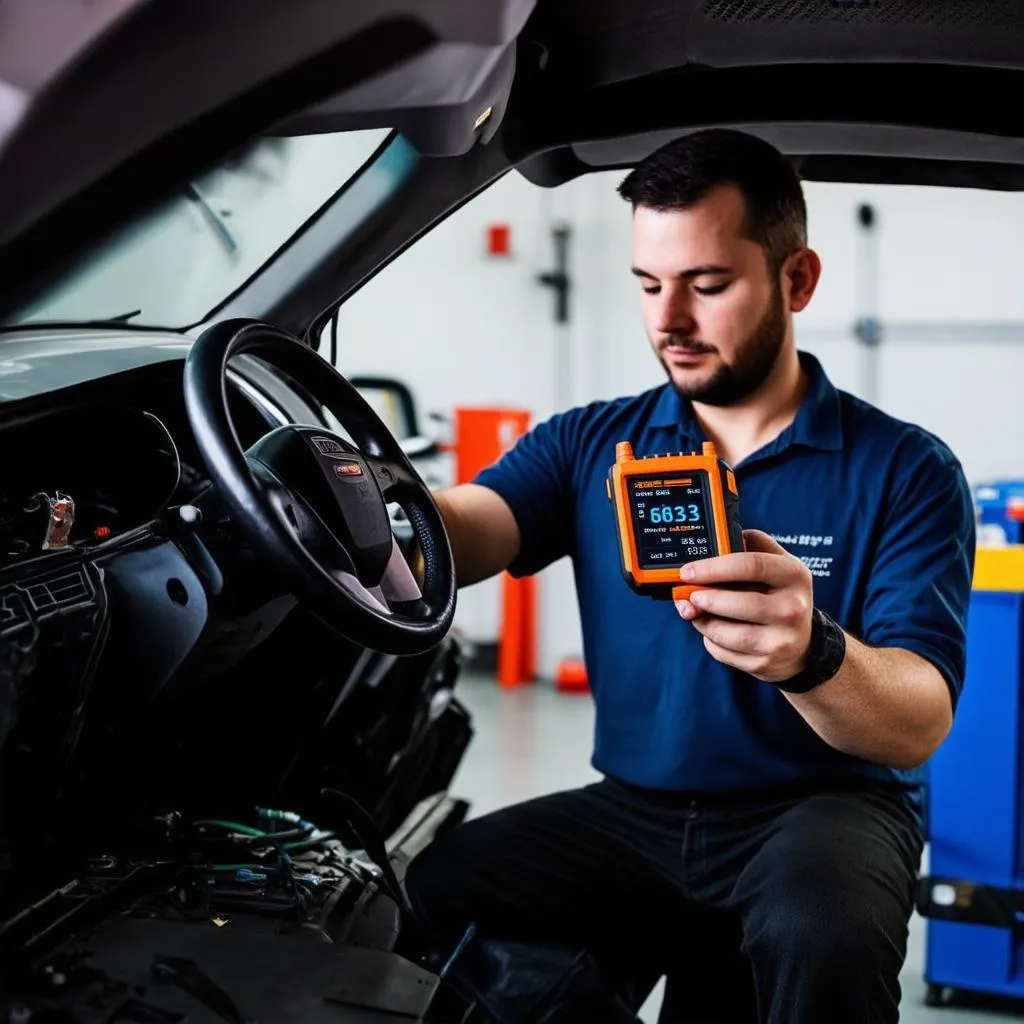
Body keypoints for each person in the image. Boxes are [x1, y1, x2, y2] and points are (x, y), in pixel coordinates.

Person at [403, 128, 975, 1023]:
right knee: (435, 886)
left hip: (821, 811)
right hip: (635, 813)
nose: (668, 320)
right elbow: (474, 525)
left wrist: (813, 654)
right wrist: (382, 512)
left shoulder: (905, 469)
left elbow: (918, 718)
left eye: (707, 286)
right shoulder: (591, 442)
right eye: (647, 284)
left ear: (797, 280)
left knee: (820, 932)